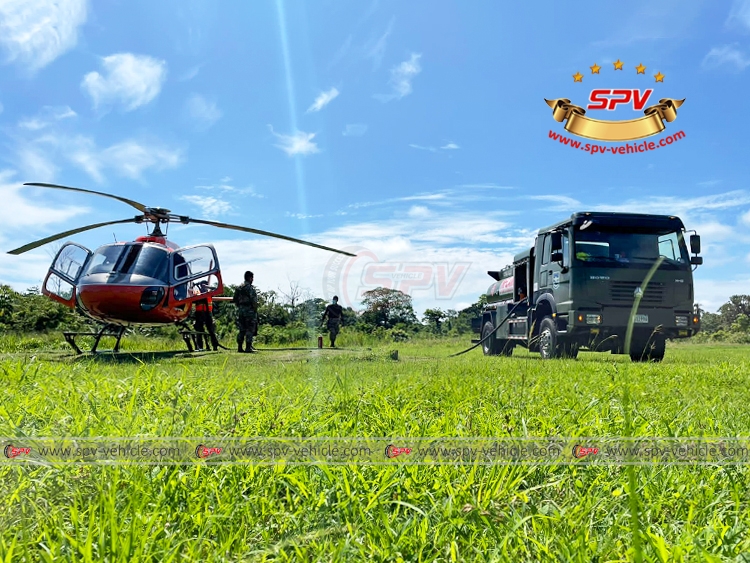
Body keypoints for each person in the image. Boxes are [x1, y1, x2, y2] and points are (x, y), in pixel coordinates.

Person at [232, 271, 258, 353]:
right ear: (250, 278)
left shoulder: (239, 288)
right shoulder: (250, 288)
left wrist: (240, 307)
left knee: (242, 329)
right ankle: (248, 347)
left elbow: (234, 300)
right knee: (250, 329)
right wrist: (255, 310)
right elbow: (254, 301)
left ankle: (240, 347)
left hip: (240, 311)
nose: (253, 280)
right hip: (249, 311)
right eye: (252, 278)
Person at [192, 280, 220, 351]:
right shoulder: (197, 292)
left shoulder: (209, 292)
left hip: (208, 313)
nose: (203, 286)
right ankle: (200, 347)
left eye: (205, 285)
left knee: (211, 330)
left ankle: (215, 346)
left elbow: (215, 288)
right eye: (202, 285)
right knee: (199, 331)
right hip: (199, 313)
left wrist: (207, 287)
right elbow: (193, 298)